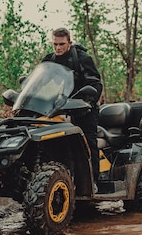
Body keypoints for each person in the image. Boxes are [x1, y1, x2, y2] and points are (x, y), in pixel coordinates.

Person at [42, 27, 103, 190]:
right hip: (60, 108)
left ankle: (93, 182)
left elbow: (96, 83)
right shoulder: (50, 60)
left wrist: (87, 103)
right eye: (55, 44)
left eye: (61, 44)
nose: (58, 48)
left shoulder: (82, 58)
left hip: (84, 108)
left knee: (88, 141)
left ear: (69, 43)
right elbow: (40, 81)